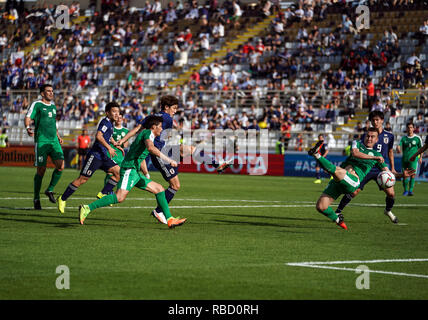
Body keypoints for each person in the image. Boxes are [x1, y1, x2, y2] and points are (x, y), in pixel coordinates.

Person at [118, 95, 232, 224]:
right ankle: (159, 211)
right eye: (174, 108)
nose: (175, 110)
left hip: (164, 149)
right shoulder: (166, 118)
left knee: (190, 149)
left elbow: (137, 129)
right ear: (166, 107)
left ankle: (217, 164)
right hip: (159, 154)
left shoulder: (153, 117)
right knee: (175, 185)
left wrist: (123, 140)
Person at [78, 115, 186, 229]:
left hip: (134, 170)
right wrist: (168, 160)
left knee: (159, 189)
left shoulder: (147, 134)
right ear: (154, 127)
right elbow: (150, 148)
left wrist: (145, 173)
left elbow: (141, 155)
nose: (162, 129)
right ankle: (87, 208)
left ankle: (170, 219)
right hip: (129, 169)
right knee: (119, 197)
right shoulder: (148, 133)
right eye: (160, 127)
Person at [308, 128, 414, 230]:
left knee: (336, 171)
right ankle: (338, 219)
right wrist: (374, 158)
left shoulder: (378, 155)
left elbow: (388, 173)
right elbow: (355, 153)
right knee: (321, 206)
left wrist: (401, 175)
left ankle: (316, 154)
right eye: (368, 136)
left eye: (373, 137)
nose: (369, 138)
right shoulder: (357, 144)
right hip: (339, 181)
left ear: (377, 140)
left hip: (353, 182)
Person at [57, 102, 124, 214]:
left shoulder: (110, 124)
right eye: (114, 111)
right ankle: (62, 198)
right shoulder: (105, 122)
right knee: (82, 180)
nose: (117, 114)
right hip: (96, 156)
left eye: (118, 111)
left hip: (104, 156)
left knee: (118, 173)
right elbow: (98, 136)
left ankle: (104, 192)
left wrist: (115, 144)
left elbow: (108, 137)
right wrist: (109, 148)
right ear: (107, 113)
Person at [335, 111, 399, 223]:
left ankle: (388, 210)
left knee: (391, 193)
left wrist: (392, 168)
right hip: (366, 168)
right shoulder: (366, 135)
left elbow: (390, 152)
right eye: (373, 120)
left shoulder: (389, 136)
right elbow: (361, 150)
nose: (375, 122)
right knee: (354, 191)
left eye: (377, 120)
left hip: (381, 169)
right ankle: (338, 211)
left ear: (382, 120)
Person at [25, 84, 64, 210]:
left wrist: (58, 136)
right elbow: (28, 117)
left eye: (52, 91)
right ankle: (36, 198)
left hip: (54, 141)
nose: (51, 93)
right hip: (41, 141)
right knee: (41, 170)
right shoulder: (37, 104)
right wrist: (27, 127)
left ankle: (50, 189)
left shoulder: (53, 107)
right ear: (42, 93)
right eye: (48, 91)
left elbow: (53, 123)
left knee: (61, 165)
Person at [101, 113, 129, 196]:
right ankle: (108, 192)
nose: (119, 119)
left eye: (121, 117)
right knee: (110, 173)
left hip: (120, 155)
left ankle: (110, 191)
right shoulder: (111, 128)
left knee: (119, 174)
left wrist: (122, 142)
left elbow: (126, 144)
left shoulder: (126, 131)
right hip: (111, 152)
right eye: (118, 118)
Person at [396, 123, 423, 196]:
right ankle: (405, 190)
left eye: (411, 127)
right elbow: (399, 146)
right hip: (405, 159)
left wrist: (420, 157)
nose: (410, 129)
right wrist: (398, 149)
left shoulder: (417, 138)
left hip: (413, 160)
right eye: (408, 127)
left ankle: (410, 191)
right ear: (406, 129)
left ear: (413, 128)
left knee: (413, 175)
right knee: (405, 175)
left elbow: (421, 149)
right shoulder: (403, 138)